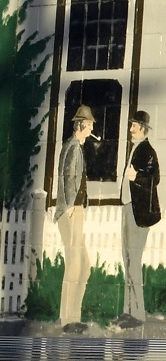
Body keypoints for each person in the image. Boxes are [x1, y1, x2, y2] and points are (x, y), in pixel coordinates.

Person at [117, 110, 162, 329]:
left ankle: (138, 314)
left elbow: (155, 178)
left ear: (142, 128)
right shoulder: (136, 148)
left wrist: (137, 177)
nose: (131, 129)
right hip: (128, 209)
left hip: (138, 212)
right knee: (126, 259)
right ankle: (128, 311)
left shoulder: (147, 150)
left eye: (134, 126)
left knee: (133, 261)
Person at [54, 105, 95, 334]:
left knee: (84, 266)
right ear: (80, 125)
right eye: (88, 125)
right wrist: (69, 206)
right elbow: (66, 176)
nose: (90, 129)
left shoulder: (77, 147)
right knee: (73, 265)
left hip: (76, 210)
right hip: (70, 211)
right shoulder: (71, 147)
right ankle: (66, 319)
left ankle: (74, 316)